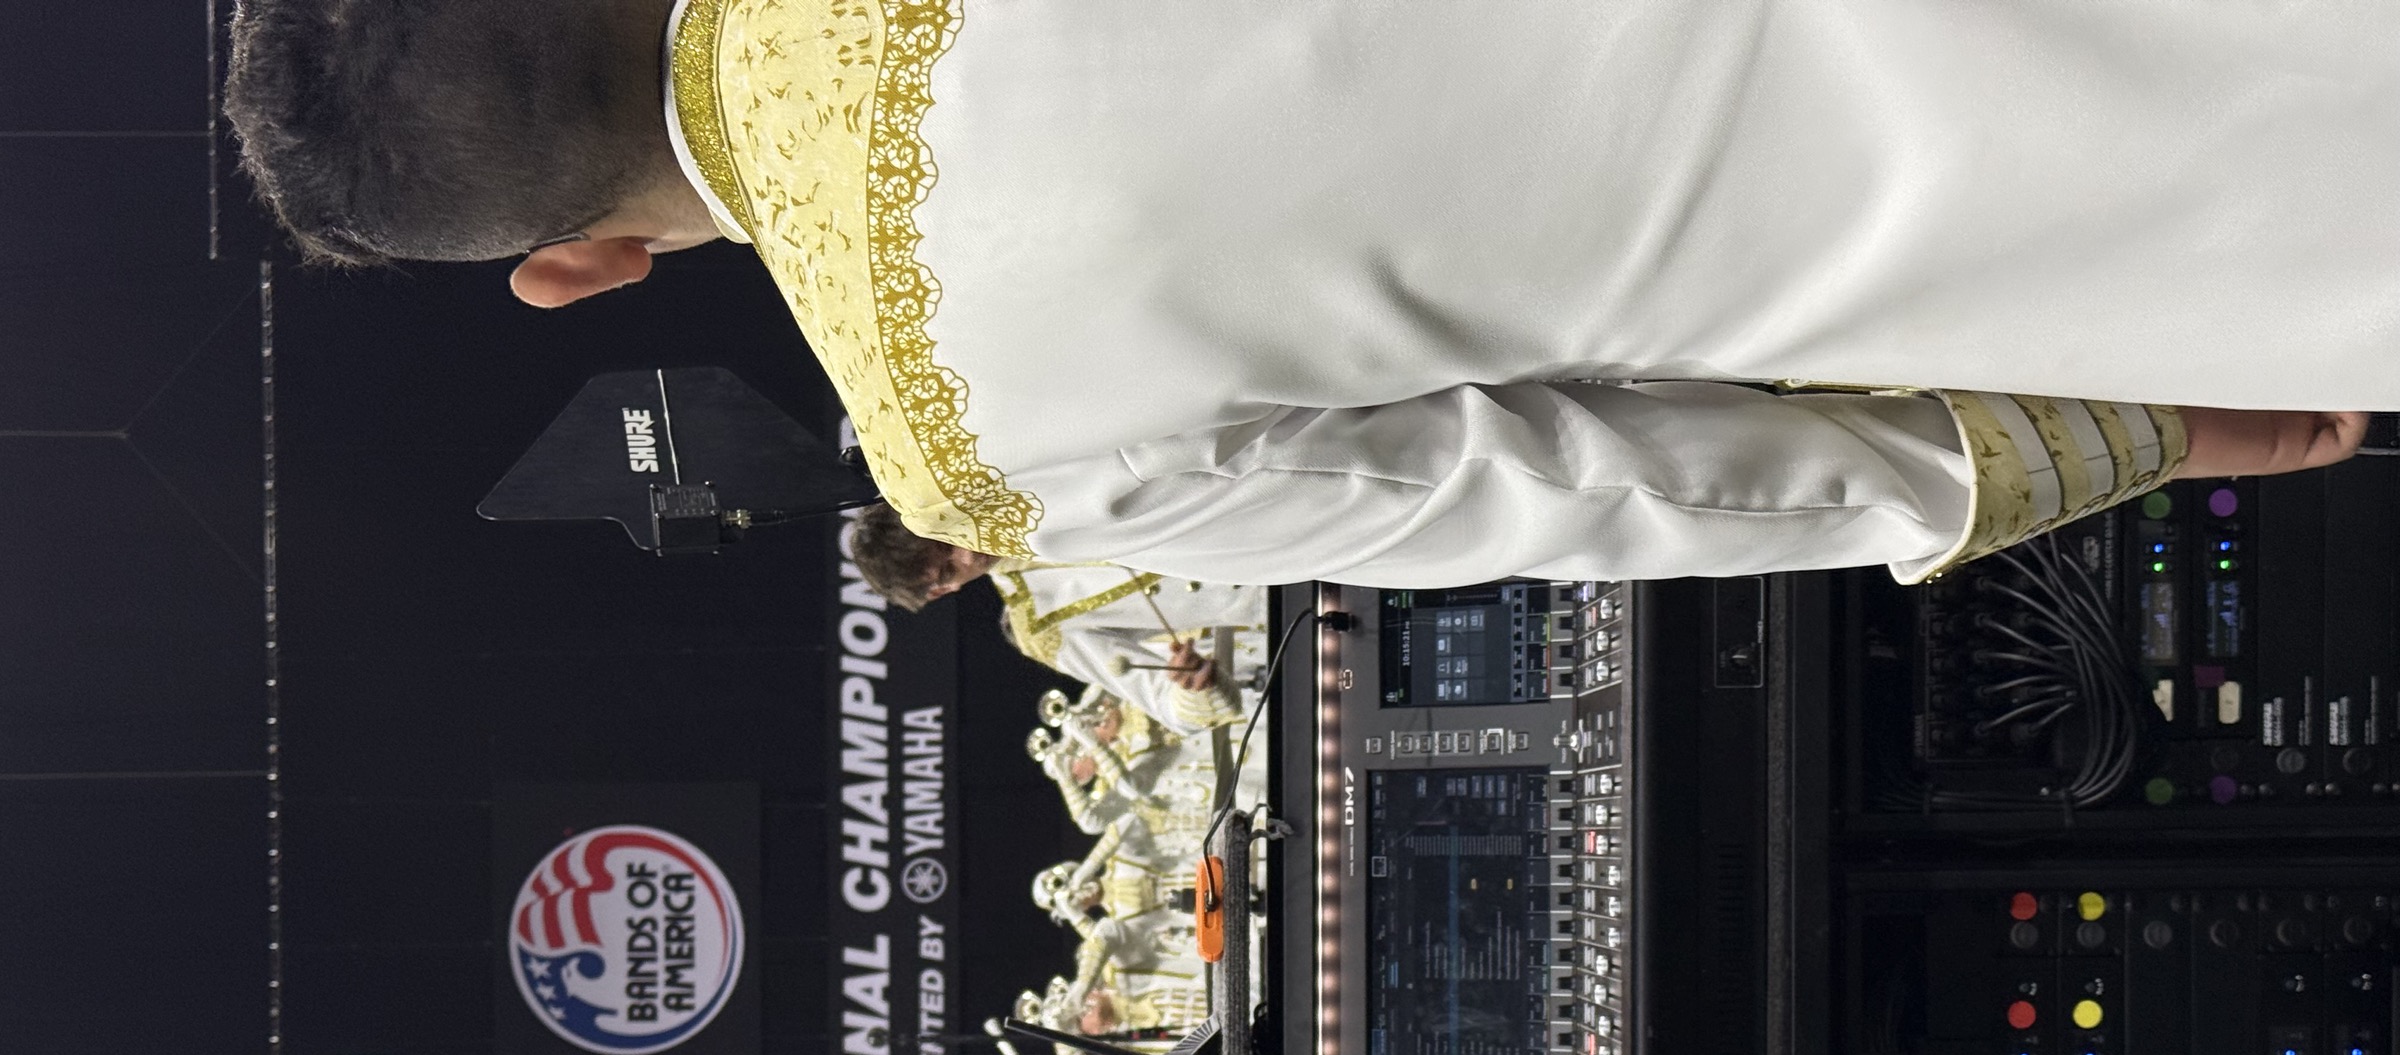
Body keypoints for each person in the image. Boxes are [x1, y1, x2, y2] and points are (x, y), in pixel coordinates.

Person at [225, 0, 2384, 590]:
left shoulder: (976, 442)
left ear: (574, 271)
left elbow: (1623, 491)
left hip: (2185, 234)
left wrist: (2126, 432)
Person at [850, 501, 1265, 731]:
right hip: (1270, 591)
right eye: (947, 570)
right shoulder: (1038, 627)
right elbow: (1167, 705)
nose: (967, 554)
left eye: (945, 540)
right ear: (942, 592)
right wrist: (1194, 686)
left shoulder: (1030, 483)